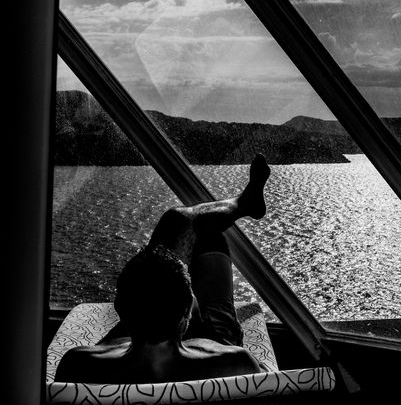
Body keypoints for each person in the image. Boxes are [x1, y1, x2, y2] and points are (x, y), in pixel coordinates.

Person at [55, 154, 272, 383]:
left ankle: (242, 203)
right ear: (190, 308)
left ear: (120, 307)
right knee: (209, 237)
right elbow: (266, 381)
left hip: (130, 355)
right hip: (210, 341)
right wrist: (189, 312)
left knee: (177, 224)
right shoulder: (237, 364)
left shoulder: (77, 366)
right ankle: (242, 203)